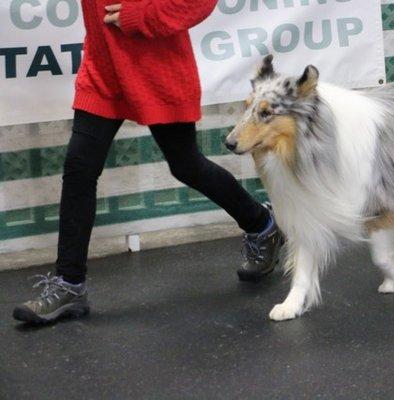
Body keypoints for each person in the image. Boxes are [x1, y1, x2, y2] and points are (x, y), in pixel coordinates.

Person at [13, 0, 284, 324]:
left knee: (186, 165)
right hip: (103, 70)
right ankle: (69, 284)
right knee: (79, 169)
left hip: (159, 71)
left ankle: (261, 225)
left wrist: (142, 15)